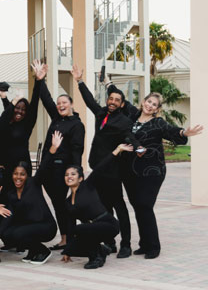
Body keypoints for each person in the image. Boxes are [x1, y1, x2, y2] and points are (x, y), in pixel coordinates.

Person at [120, 92, 203, 259]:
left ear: (157, 109)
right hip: (130, 171)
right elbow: (121, 97)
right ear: (143, 101)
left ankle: (153, 247)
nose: (150, 105)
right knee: (138, 207)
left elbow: (171, 131)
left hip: (152, 171)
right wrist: (106, 82)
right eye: (149, 101)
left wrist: (184, 133)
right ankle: (144, 244)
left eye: (154, 104)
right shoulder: (132, 116)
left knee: (145, 205)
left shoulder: (158, 123)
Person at [72, 66, 142, 258]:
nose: (112, 102)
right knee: (103, 208)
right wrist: (79, 81)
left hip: (112, 172)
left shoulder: (124, 122)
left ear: (121, 104)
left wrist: (139, 148)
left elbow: (131, 138)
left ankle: (125, 244)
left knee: (119, 207)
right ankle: (110, 243)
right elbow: (88, 101)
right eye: (111, 99)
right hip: (97, 170)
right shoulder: (102, 113)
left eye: (116, 100)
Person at [0, 133, 59, 265]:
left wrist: (53, 148)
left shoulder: (33, 184)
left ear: (27, 175)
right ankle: (33, 251)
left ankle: (42, 251)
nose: (18, 177)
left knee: (18, 233)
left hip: (46, 226)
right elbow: (9, 215)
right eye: (16, 174)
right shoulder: (12, 194)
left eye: (22, 174)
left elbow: (44, 167)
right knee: (7, 234)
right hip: (30, 226)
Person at [35, 60, 85, 251]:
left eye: (64, 102)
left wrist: (75, 173)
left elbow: (77, 150)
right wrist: (40, 80)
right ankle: (65, 237)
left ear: (71, 104)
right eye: (58, 103)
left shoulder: (77, 125)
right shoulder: (56, 118)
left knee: (63, 205)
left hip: (62, 172)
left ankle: (68, 238)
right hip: (47, 169)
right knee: (58, 205)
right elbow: (46, 98)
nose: (60, 105)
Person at [59, 137, 129, 269]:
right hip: (91, 229)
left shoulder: (87, 186)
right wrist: (68, 251)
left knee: (79, 230)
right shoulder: (68, 202)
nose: (69, 176)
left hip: (108, 224)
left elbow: (100, 168)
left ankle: (96, 258)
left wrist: (117, 150)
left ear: (80, 178)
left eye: (73, 174)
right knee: (71, 247)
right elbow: (70, 225)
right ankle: (101, 250)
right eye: (66, 174)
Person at [0, 78, 40, 177]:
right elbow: (7, 113)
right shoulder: (6, 121)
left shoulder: (27, 124)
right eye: (17, 108)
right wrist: (4, 98)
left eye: (23, 109)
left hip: (21, 167)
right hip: (5, 167)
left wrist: (38, 80)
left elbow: (35, 101)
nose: (20, 111)